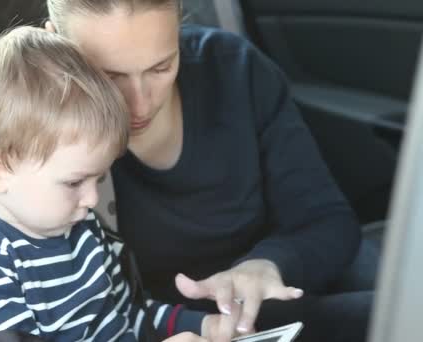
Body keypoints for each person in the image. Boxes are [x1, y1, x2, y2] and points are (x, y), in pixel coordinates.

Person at [45, 1, 375, 341]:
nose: (139, 104)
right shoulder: (33, 145)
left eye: (161, 67)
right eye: (109, 76)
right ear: (55, 49)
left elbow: (326, 219)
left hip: (279, 286)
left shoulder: (234, 70)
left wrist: (268, 263)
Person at [0, 26, 227, 342]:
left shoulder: (84, 232)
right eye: (74, 183)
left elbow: (127, 320)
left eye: (98, 179)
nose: (92, 198)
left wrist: (202, 326)